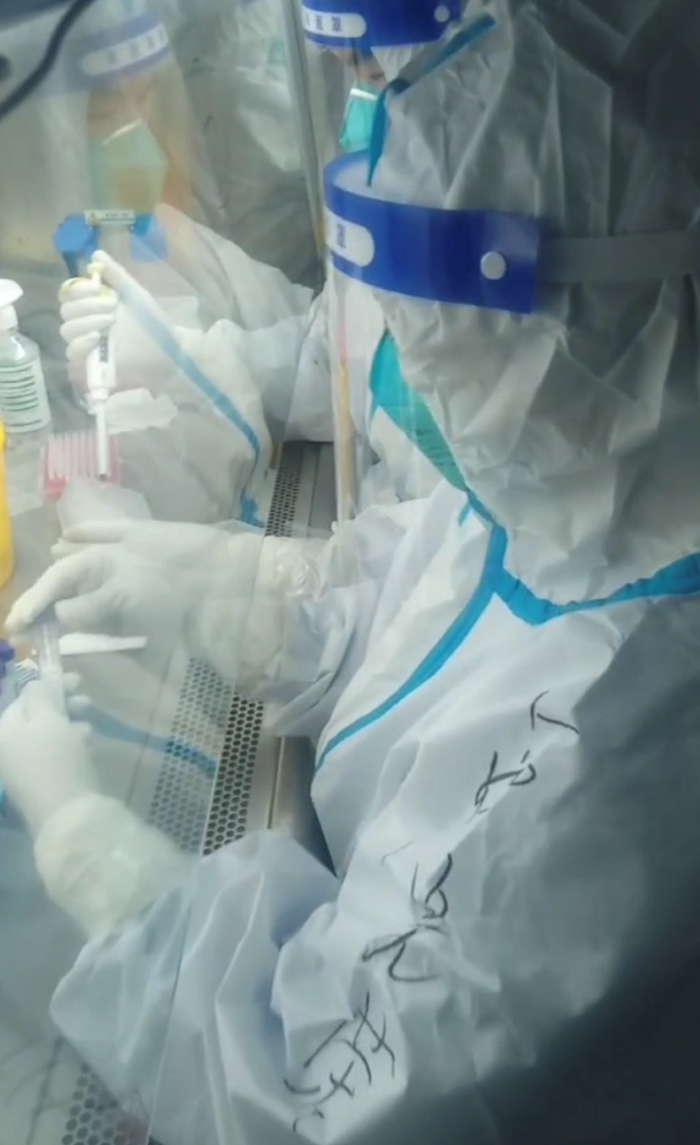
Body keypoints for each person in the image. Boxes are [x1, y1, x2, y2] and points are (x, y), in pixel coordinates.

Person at [3, 1, 700, 1142]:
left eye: (458, 312)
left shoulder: (634, 760)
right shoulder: (580, 498)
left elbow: (306, 1092)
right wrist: (213, 588)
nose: (417, 347)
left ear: (634, 298)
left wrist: (81, 835)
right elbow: (402, 604)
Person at [59, 4, 470, 516]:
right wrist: (181, 356)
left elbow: (450, 547)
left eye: (372, 73)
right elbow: (326, 365)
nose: (357, 107)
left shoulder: (506, 318)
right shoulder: (411, 218)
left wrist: (249, 562)